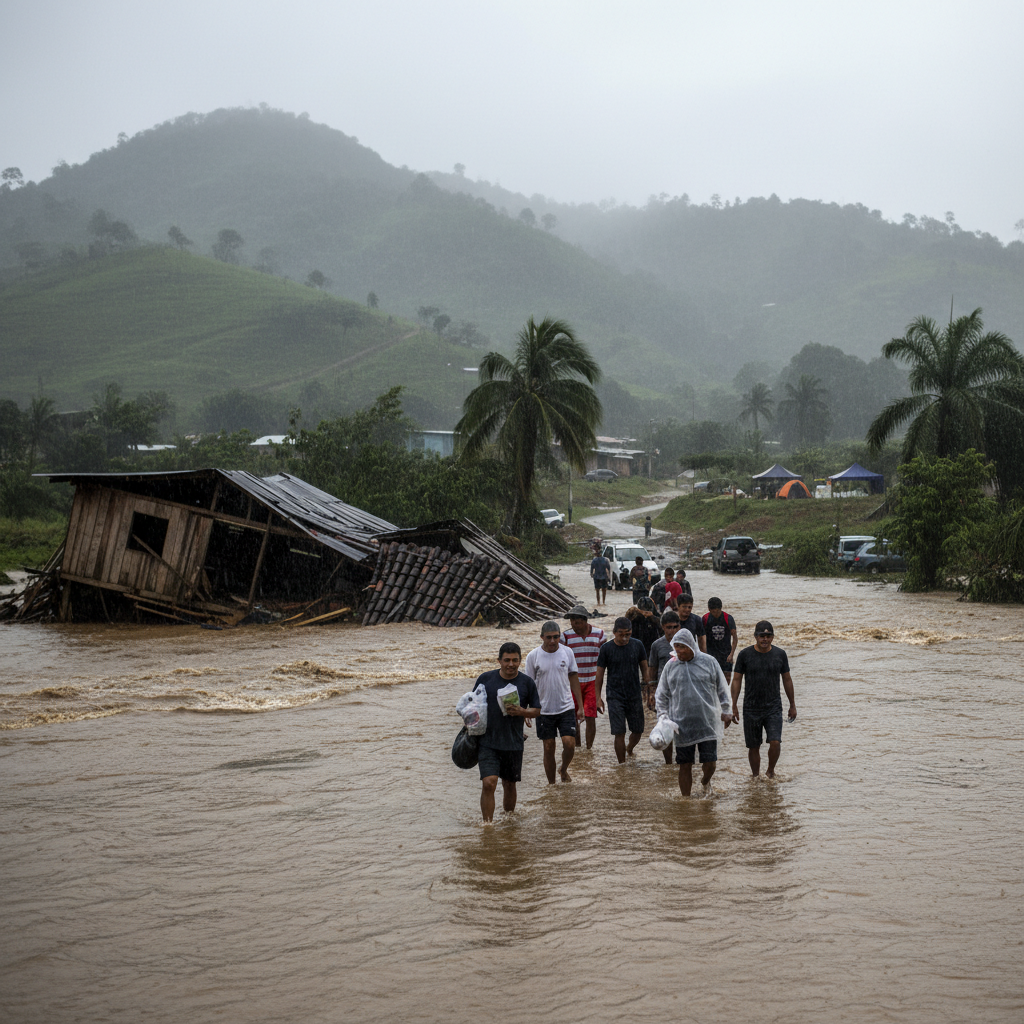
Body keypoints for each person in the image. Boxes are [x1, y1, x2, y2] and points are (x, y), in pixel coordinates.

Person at [655, 629, 734, 797]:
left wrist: (727, 710)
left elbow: (722, 688)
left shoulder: (709, 662)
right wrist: (662, 717)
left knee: (710, 763)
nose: (679, 651)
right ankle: (686, 801)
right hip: (681, 724)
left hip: (707, 722)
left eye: (682, 647)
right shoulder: (671, 666)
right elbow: (661, 694)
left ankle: (705, 781)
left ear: (691, 646)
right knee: (685, 764)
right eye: (676, 647)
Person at [473, 642, 541, 821]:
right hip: (488, 741)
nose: (511, 664)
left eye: (515, 660)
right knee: (489, 783)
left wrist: (522, 712)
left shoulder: (527, 683)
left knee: (509, 784)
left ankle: (509, 822)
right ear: (499, 661)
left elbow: (537, 710)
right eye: (507, 660)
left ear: (520, 660)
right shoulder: (485, 679)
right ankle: (487, 826)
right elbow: (472, 706)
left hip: (513, 741)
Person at [730, 620, 797, 779]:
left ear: (773, 637)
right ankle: (755, 776)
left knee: (775, 741)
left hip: (773, 706)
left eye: (768, 636)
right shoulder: (745, 655)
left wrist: (792, 705)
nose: (765, 639)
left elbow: (787, 679)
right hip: (751, 707)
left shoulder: (780, 654)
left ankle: (770, 771)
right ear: (755, 636)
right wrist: (733, 705)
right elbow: (737, 680)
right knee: (754, 746)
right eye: (762, 636)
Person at [524, 622, 584, 784]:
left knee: (569, 744)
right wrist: (526, 710)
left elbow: (573, 677)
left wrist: (580, 706)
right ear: (542, 637)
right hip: (543, 710)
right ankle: (552, 785)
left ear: (560, 637)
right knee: (549, 747)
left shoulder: (567, 652)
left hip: (566, 707)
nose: (552, 641)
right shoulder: (533, 656)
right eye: (549, 637)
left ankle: (563, 769)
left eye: (556, 637)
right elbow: (528, 685)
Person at [595, 616, 650, 763]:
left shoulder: (637, 645)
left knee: (638, 730)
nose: (625, 638)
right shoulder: (606, 649)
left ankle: (629, 748)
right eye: (621, 634)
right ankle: (622, 766)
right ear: (614, 632)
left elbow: (645, 669)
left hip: (634, 694)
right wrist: (597, 698)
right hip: (614, 695)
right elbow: (599, 675)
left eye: (628, 634)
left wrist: (649, 689)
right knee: (619, 732)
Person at [563, 605, 606, 749]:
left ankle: (588, 749)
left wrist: (600, 694)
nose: (574, 625)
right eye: (572, 622)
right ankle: (578, 747)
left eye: (577, 621)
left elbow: (604, 661)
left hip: (592, 682)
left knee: (590, 716)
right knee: (574, 717)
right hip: (572, 682)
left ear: (585, 621)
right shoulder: (565, 637)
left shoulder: (599, 635)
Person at [648, 609, 681, 762]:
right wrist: (651, 693)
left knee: (683, 727)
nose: (672, 631)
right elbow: (652, 670)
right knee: (665, 727)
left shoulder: (686, 644)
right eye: (669, 627)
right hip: (664, 694)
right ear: (662, 627)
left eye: (675, 627)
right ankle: (669, 764)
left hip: (682, 692)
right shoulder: (657, 645)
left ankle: (683, 760)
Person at [702, 597, 738, 681]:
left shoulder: (728, 618)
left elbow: (735, 638)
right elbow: (701, 638)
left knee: (727, 679)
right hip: (711, 654)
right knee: (712, 679)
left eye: (718, 611)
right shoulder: (705, 619)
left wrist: (731, 654)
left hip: (726, 653)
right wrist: (704, 653)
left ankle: (724, 693)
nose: (716, 614)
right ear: (709, 609)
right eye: (713, 612)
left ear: (721, 609)